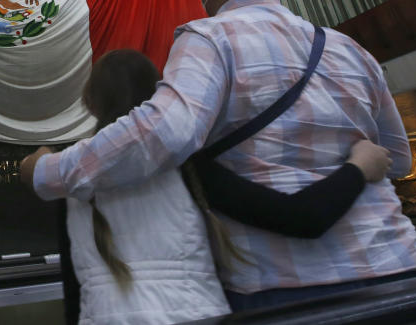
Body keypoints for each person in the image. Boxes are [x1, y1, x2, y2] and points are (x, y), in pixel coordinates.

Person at [23, 0, 416, 311]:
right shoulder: (351, 49)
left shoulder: (211, 39)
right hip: (399, 261)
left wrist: (48, 170)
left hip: (288, 284)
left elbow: (164, 132)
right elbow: (398, 160)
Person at [60, 48, 394, 324]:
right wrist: (358, 167)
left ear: (91, 103)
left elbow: (73, 289)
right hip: (195, 314)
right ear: (159, 97)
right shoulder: (187, 163)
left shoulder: (69, 180)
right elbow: (301, 217)